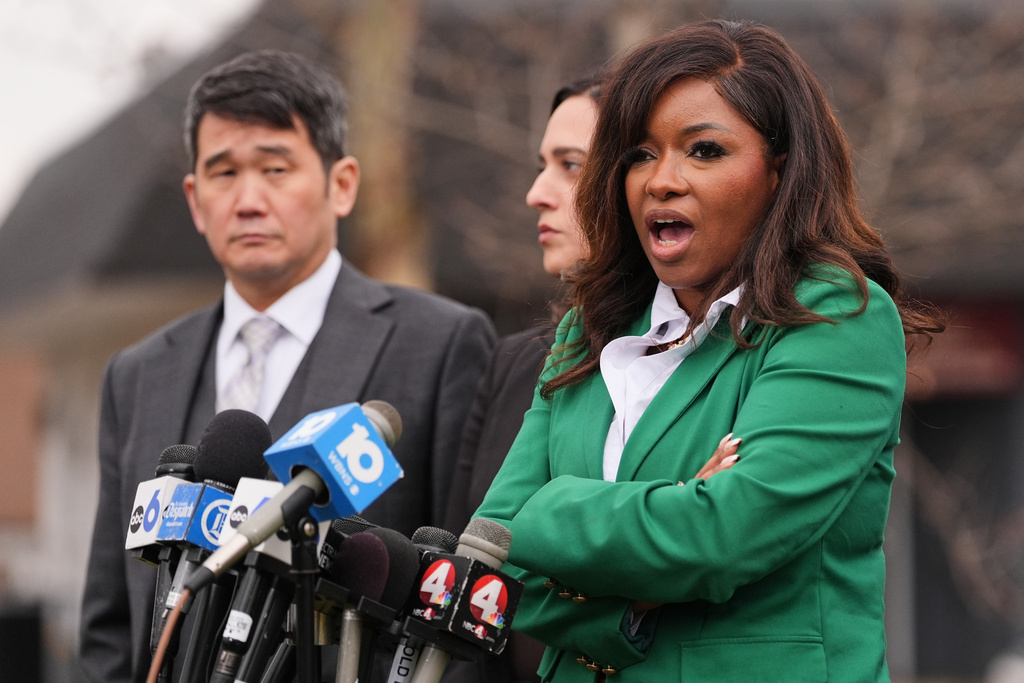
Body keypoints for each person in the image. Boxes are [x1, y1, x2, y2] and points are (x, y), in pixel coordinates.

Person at [474, 19, 943, 683]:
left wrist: (549, 510)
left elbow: (721, 536)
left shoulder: (837, 315)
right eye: (640, 154)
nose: (661, 180)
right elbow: (495, 561)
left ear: (780, 169)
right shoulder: (591, 327)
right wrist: (638, 592)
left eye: (703, 150)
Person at [78, 50, 496, 683]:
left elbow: (462, 611)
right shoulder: (137, 375)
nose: (249, 199)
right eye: (223, 173)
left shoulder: (439, 345)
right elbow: (110, 626)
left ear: (342, 184)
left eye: (276, 168)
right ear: (195, 199)